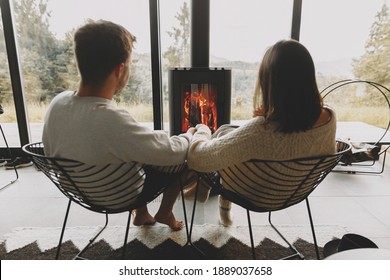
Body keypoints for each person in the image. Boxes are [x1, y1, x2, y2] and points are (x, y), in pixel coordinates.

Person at [43, 20, 195, 231]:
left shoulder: (57, 103)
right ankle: (165, 211)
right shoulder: (109, 120)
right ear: (120, 69)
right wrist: (190, 136)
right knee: (186, 157)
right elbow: (172, 153)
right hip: (117, 195)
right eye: (130, 64)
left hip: (77, 189)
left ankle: (141, 214)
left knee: (134, 148)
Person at [186, 39, 337, 226]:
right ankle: (207, 191)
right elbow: (303, 143)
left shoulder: (260, 131)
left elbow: (197, 158)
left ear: (271, 83)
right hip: (296, 188)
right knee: (226, 130)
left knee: (220, 135)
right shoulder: (329, 117)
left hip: (258, 191)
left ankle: (203, 186)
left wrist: (202, 130)